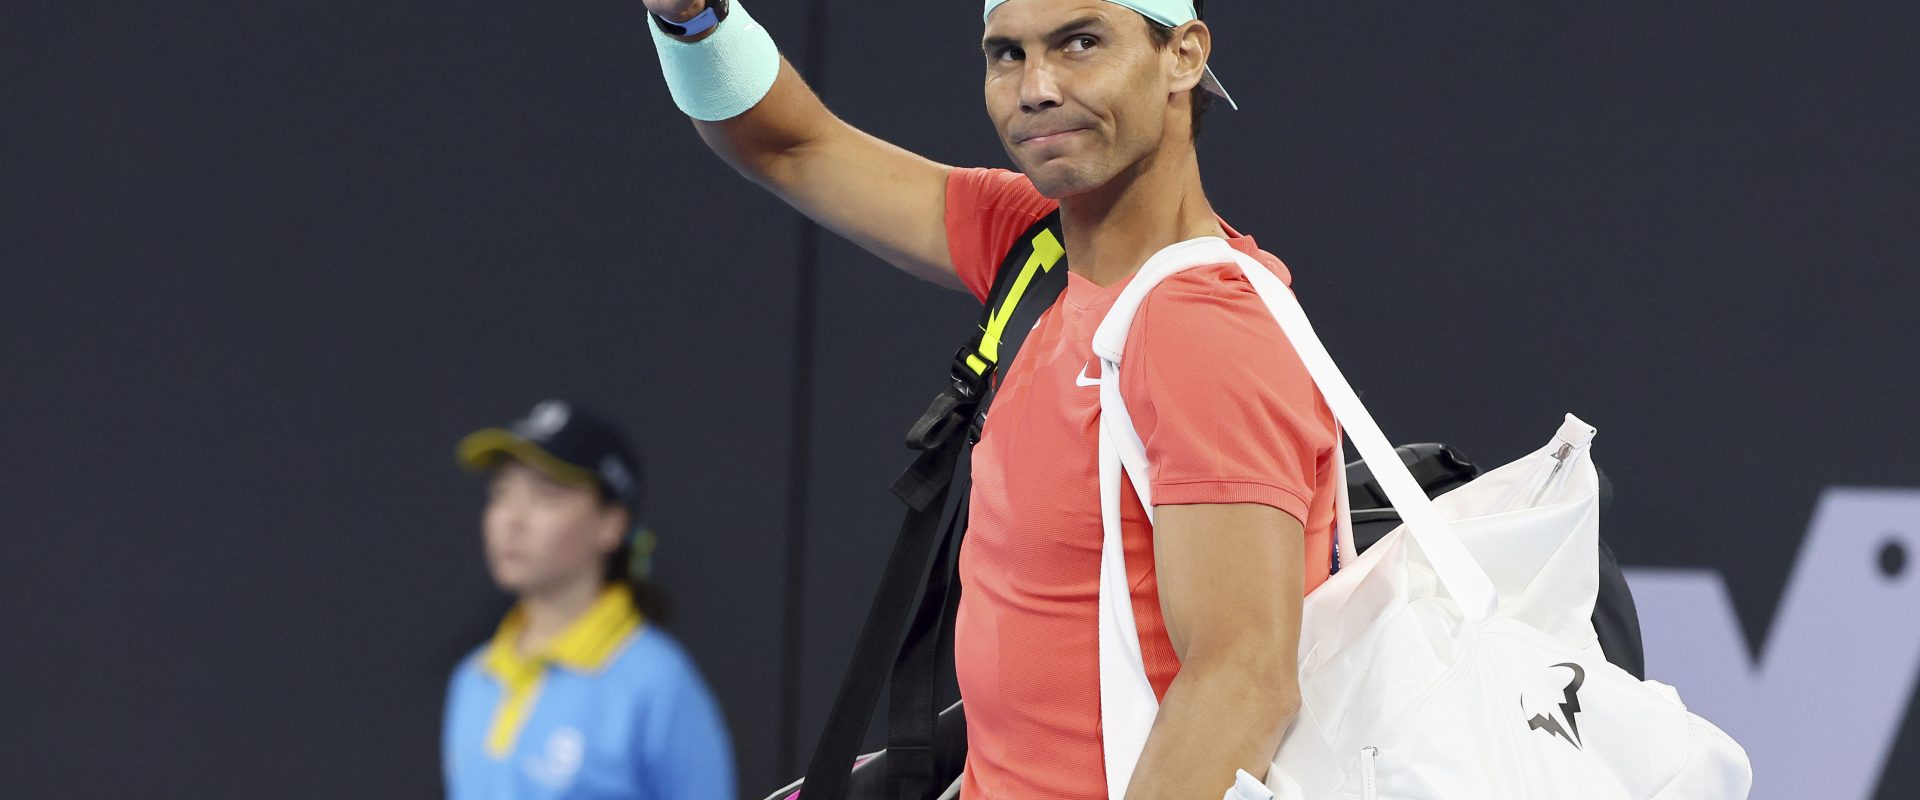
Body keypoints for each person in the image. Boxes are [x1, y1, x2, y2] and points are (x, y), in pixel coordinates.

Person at [642, 0, 1337, 796]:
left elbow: (1241, 685)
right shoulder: (1037, 247)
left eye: (1081, 43)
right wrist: (691, 18)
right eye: (1007, 54)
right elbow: (792, 144)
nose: (1034, 88)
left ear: (1182, 56)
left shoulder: (1203, 330)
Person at [441, 400, 735, 799]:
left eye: (545, 495)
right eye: (502, 492)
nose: (512, 518)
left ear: (611, 524)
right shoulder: (474, 678)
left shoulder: (658, 684)